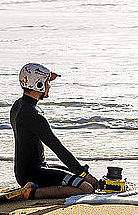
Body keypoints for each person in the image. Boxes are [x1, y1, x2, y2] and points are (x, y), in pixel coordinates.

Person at [10, 63, 99, 200]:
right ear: (38, 85)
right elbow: (59, 149)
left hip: (25, 172)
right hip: (33, 174)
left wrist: (80, 173)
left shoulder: (18, 106)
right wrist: (85, 174)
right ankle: (30, 193)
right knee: (86, 187)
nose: (49, 86)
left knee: (76, 177)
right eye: (46, 82)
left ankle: (31, 187)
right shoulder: (34, 116)